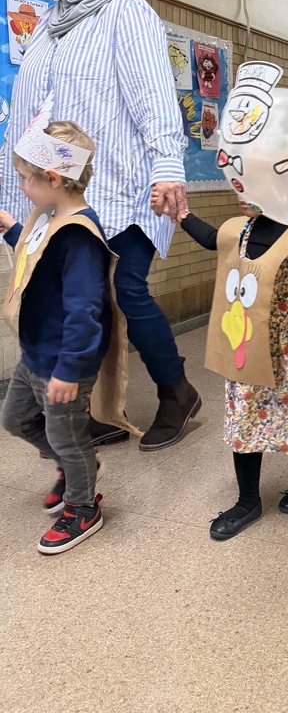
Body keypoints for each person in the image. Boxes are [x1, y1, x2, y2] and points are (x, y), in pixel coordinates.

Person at [0, 0, 200, 452]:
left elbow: (155, 98)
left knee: (127, 290)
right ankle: (94, 413)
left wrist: (166, 168)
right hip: (66, 194)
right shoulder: (50, 25)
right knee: (75, 301)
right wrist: (10, 191)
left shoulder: (125, 11)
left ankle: (176, 392)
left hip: (124, 187)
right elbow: (29, 115)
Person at [179, 197, 288, 540]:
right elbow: (213, 238)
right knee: (245, 413)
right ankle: (247, 500)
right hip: (247, 339)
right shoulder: (243, 227)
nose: (243, 195)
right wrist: (181, 214)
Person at [0, 118, 123, 554]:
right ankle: (74, 468)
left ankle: (83, 506)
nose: (21, 187)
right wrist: (13, 227)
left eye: (23, 179)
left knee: (67, 437)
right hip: (36, 354)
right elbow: (39, 257)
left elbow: (86, 309)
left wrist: (70, 370)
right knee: (15, 420)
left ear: (53, 178)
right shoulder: (51, 217)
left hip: (63, 363)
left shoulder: (79, 235)